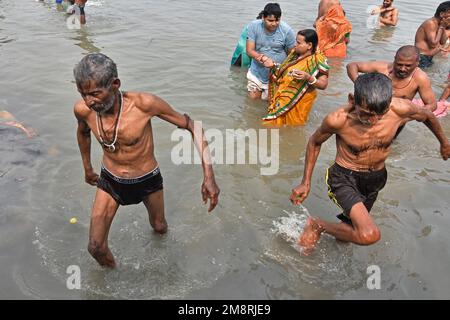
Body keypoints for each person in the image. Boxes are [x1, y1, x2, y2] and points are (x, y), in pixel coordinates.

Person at [73, 53, 220, 268]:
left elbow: (193, 127)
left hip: (146, 180)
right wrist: (87, 168)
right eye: (83, 94)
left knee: (159, 227)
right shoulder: (83, 110)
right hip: (110, 180)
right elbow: (83, 133)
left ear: (115, 84)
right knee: (95, 247)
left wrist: (209, 177)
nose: (89, 101)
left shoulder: (144, 104)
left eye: (95, 94)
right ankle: (113, 284)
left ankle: (165, 266)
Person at [289, 72, 450, 255]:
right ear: (352, 99)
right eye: (365, 114)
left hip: (376, 179)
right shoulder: (338, 119)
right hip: (344, 178)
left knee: (347, 237)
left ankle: (324, 264)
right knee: (368, 234)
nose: (372, 121)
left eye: (379, 115)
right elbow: (314, 142)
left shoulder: (401, 109)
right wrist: (305, 182)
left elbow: (428, 115)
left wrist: (444, 143)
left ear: (389, 104)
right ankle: (317, 225)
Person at [263, 29, 330, 126]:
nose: (295, 45)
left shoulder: (317, 61)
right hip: (283, 98)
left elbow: (323, 85)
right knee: (271, 125)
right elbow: (284, 72)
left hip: (299, 102)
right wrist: (273, 65)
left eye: (298, 43)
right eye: (296, 41)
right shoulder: (294, 55)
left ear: (309, 45)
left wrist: (308, 78)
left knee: (292, 127)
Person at [346, 45, 437, 113]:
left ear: (417, 63)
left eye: (408, 66)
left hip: (395, 119)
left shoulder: (420, 78)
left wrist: (411, 113)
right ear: (394, 59)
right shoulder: (382, 68)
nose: (402, 69)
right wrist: (360, 84)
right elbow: (352, 66)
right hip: (369, 112)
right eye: (399, 64)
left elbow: (432, 105)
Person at [245, 3, 296, 100]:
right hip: (257, 72)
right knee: (253, 101)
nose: (274, 24)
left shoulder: (287, 31)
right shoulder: (253, 26)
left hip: (276, 75)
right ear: (263, 18)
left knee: (271, 104)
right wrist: (264, 58)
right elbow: (249, 50)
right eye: (270, 20)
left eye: (277, 20)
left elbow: (292, 56)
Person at [415, 1, 450, 69]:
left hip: (429, 57)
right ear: (442, 14)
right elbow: (433, 44)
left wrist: (443, 27)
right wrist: (442, 27)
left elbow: (443, 41)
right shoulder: (431, 23)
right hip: (421, 57)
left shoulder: (440, 24)